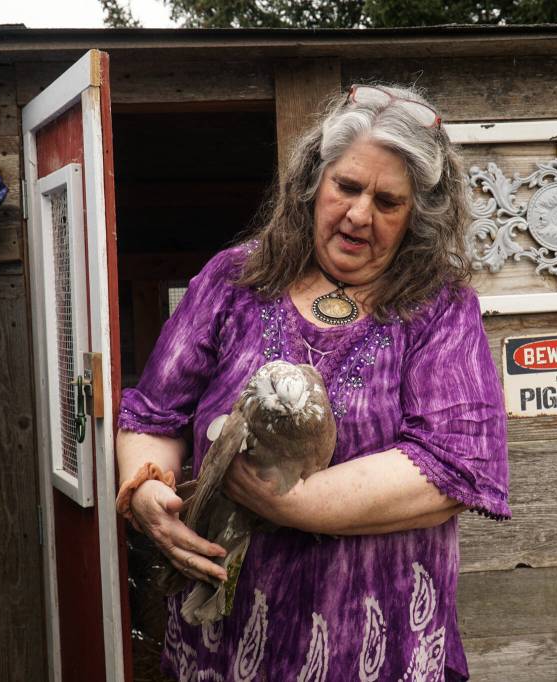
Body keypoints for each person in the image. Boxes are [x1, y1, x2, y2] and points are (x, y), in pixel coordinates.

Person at [114, 83, 510, 681]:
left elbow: (456, 468)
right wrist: (145, 490)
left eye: (387, 201)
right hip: (224, 642)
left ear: (417, 217)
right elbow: (151, 415)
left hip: (373, 648)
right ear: (313, 183)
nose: (358, 214)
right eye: (346, 187)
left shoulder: (439, 309)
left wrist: (287, 501)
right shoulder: (234, 281)